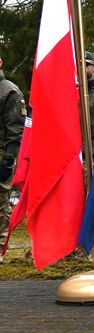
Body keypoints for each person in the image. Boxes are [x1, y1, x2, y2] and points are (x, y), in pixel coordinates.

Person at [0, 54, 25, 263]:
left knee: (0, 202)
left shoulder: (9, 91)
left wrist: (9, 159)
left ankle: (0, 246)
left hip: (2, 153)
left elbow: (15, 128)